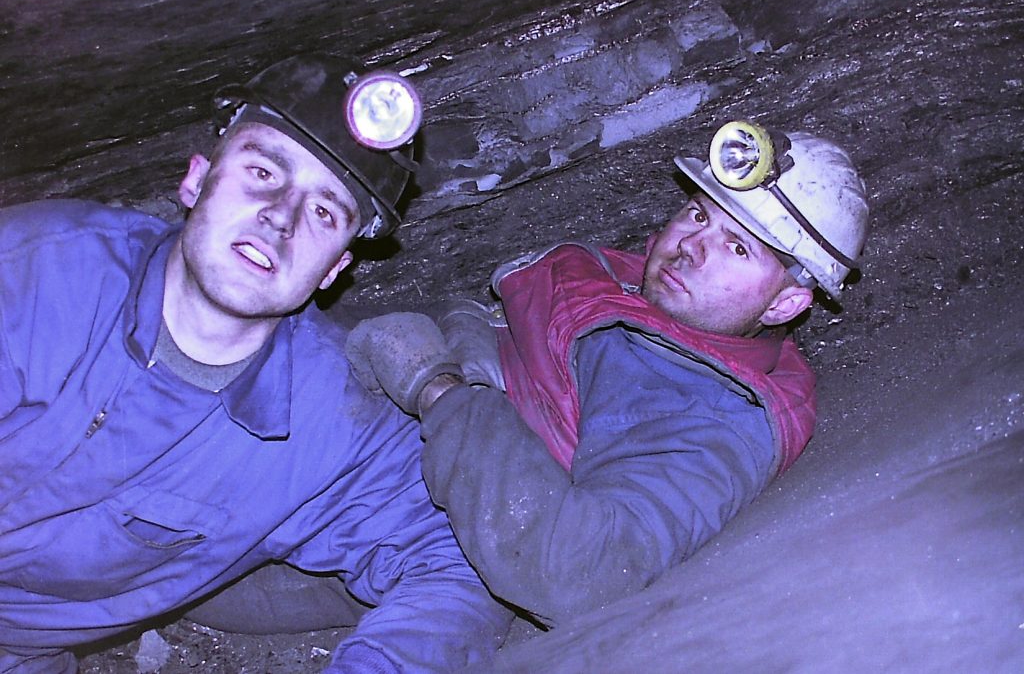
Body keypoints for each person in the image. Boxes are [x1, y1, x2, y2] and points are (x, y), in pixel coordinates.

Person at [0, 53, 508, 674]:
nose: (282, 217)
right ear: (196, 181)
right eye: (264, 171)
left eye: (325, 213)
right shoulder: (35, 274)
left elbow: (459, 561)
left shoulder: (326, 426)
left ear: (334, 269)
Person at [346, 121, 871, 626]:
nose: (691, 245)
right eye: (697, 214)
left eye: (738, 248)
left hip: (401, 487)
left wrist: (438, 387)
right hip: (397, 422)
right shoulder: (647, 293)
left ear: (784, 306)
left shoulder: (713, 416)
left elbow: (581, 573)